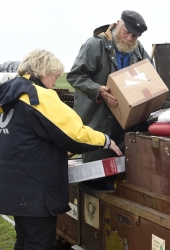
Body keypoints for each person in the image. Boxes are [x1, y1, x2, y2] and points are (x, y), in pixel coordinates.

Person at [0, 49, 123, 250]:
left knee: (24, 241)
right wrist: (105, 139)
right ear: (42, 70)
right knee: (38, 246)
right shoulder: (40, 96)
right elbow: (73, 132)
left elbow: (44, 134)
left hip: (13, 182)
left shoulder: (10, 94)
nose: (57, 79)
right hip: (36, 186)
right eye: (55, 74)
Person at [67, 10, 151, 166]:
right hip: (98, 122)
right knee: (96, 172)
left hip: (126, 122)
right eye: (127, 32)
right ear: (119, 23)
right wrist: (98, 90)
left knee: (123, 170)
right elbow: (75, 76)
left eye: (135, 36)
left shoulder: (138, 50)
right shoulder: (94, 45)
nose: (129, 38)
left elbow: (150, 75)